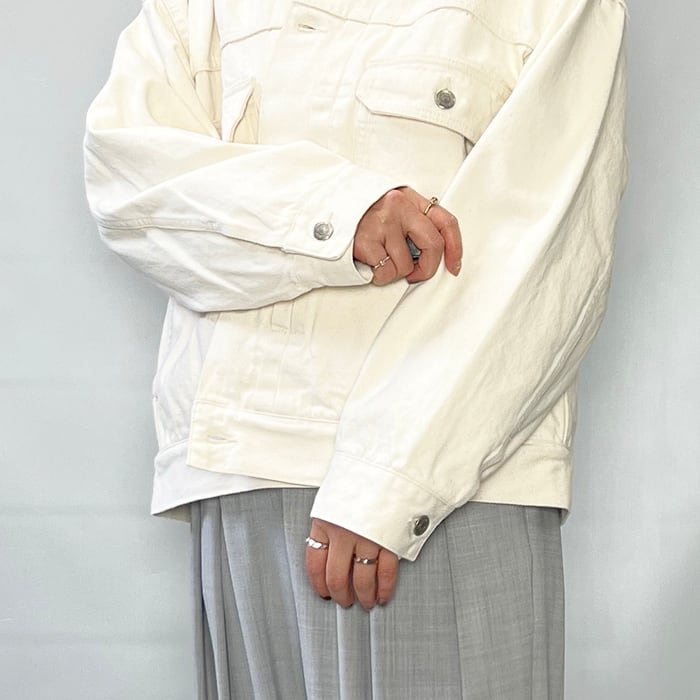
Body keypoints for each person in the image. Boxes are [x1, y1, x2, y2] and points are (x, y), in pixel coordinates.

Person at [84, 0, 628, 697]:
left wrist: (388, 481)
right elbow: (127, 180)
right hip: (243, 468)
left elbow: (545, 249)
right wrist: (343, 214)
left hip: (450, 480)